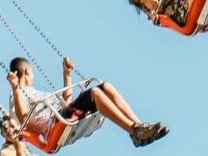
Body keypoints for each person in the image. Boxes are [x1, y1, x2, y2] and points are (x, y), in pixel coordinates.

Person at [8, 56, 167, 149]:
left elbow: (67, 102)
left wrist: (67, 74)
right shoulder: (17, 95)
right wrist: (15, 88)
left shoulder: (37, 93)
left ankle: (139, 126)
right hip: (54, 124)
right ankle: (133, 131)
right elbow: (23, 118)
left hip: (62, 115)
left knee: (106, 86)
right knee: (95, 93)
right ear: (28, 70)